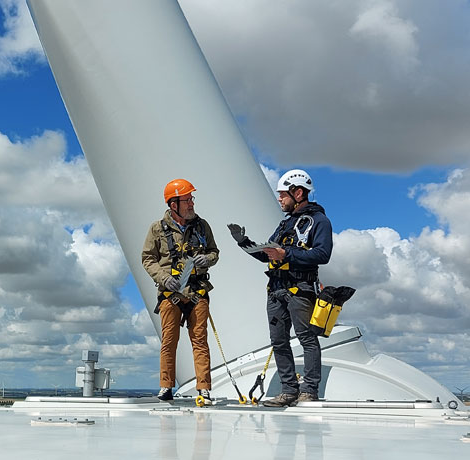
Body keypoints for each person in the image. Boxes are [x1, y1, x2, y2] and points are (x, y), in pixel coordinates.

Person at [228, 169, 332, 407]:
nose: (280, 199)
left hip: (300, 288)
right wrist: (244, 242)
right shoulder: (286, 224)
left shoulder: (320, 221)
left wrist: (286, 253)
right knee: (278, 341)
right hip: (276, 290)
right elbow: (268, 256)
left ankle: (309, 390)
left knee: (306, 338)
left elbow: (322, 254)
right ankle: (288, 390)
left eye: (283, 194)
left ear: (298, 192)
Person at [142, 179, 219, 404]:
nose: (191, 203)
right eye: (187, 199)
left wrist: (209, 258)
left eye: (191, 199)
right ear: (173, 204)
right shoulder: (157, 229)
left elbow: (214, 251)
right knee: (169, 340)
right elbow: (148, 258)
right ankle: (166, 387)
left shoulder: (202, 226)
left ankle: (203, 388)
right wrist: (164, 278)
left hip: (197, 290)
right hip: (171, 293)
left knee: (200, 339)